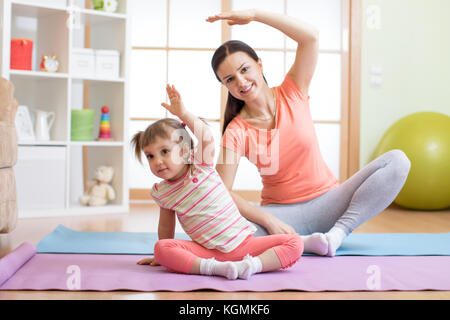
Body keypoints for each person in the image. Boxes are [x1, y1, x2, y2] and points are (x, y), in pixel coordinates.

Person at [207, 9, 411, 256]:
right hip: (280, 217)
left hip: (327, 204)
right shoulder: (236, 131)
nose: (240, 81)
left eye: (244, 69)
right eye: (229, 79)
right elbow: (221, 191)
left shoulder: (293, 90)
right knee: (218, 230)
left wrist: (255, 15)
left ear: (259, 65)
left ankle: (336, 235)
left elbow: (310, 37)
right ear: (225, 86)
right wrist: (267, 219)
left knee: (398, 161)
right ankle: (302, 241)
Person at [131, 84, 303, 280]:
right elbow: (165, 228)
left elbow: (205, 136)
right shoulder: (163, 192)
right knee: (162, 248)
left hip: (245, 245)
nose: (158, 161)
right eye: (150, 156)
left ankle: (252, 266)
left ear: (185, 151)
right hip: (207, 253)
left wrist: (184, 113)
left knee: (295, 243)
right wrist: (162, 256)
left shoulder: (200, 165)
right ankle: (215, 269)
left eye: (164, 152)